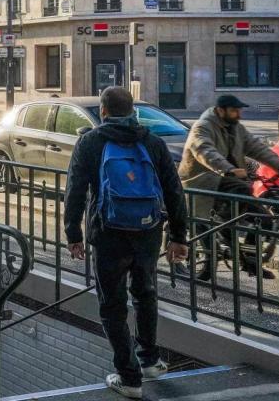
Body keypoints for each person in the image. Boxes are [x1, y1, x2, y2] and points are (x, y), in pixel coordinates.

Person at [64, 86, 188, 399]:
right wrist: (178, 237)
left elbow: (75, 191)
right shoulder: (152, 141)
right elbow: (174, 192)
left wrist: (73, 235)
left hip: (108, 234)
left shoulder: (90, 141)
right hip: (147, 233)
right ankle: (148, 360)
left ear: (103, 111)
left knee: (112, 305)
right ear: (133, 110)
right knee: (146, 294)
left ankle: (129, 377)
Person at [179, 94, 279, 224]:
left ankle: (250, 238)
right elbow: (205, 151)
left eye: (239, 111)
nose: (239, 115)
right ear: (221, 111)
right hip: (203, 181)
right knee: (206, 226)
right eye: (234, 111)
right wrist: (229, 169)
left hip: (228, 180)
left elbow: (256, 147)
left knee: (261, 215)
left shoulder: (236, 128)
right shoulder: (202, 127)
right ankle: (225, 225)